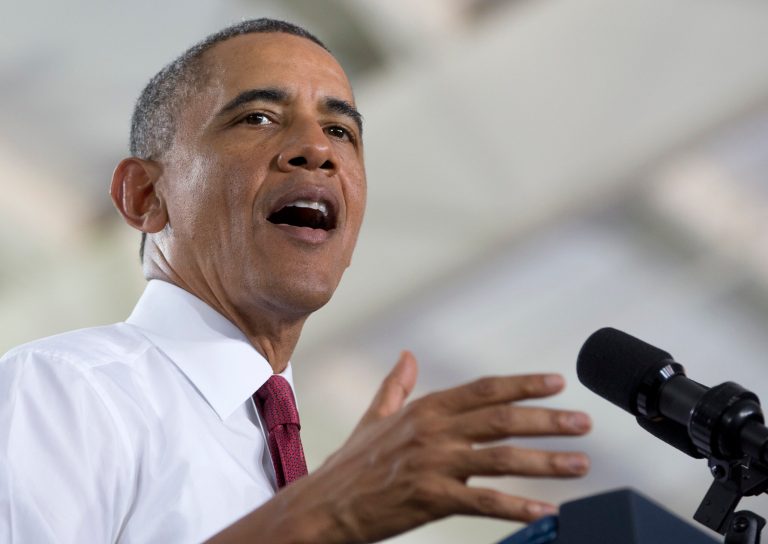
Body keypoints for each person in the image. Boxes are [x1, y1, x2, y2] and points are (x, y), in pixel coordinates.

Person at [0, 18, 592, 543]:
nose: (316, 149)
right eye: (257, 117)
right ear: (146, 195)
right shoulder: (64, 392)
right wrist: (320, 519)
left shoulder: (298, 463)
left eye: (341, 132)